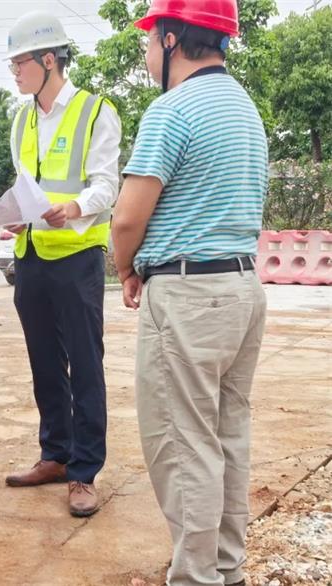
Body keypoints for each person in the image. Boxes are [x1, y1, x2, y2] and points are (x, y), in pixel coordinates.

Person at [111, 0, 268, 584]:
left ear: (173, 38)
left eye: (151, 37)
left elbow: (128, 219)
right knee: (226, 438)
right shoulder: (244, 107)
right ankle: (227, 569)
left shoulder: (171, 110)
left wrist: (126, 269)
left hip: (188, 294)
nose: (147, 50)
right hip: (242, 288)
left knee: (183, 446)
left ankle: (196, 578)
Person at [3, 10, 121, 518]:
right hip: (32, 257)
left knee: (85, 364)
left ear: (49, 60)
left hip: (76, 258)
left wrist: (73, 207)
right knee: (45, 362)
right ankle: (54, 454)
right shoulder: (21, 118)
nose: (15, 72)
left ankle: (83, 471)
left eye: (20, 62)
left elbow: (107, 184)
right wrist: (15, 218)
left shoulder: (96, 111)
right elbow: (25, 185)